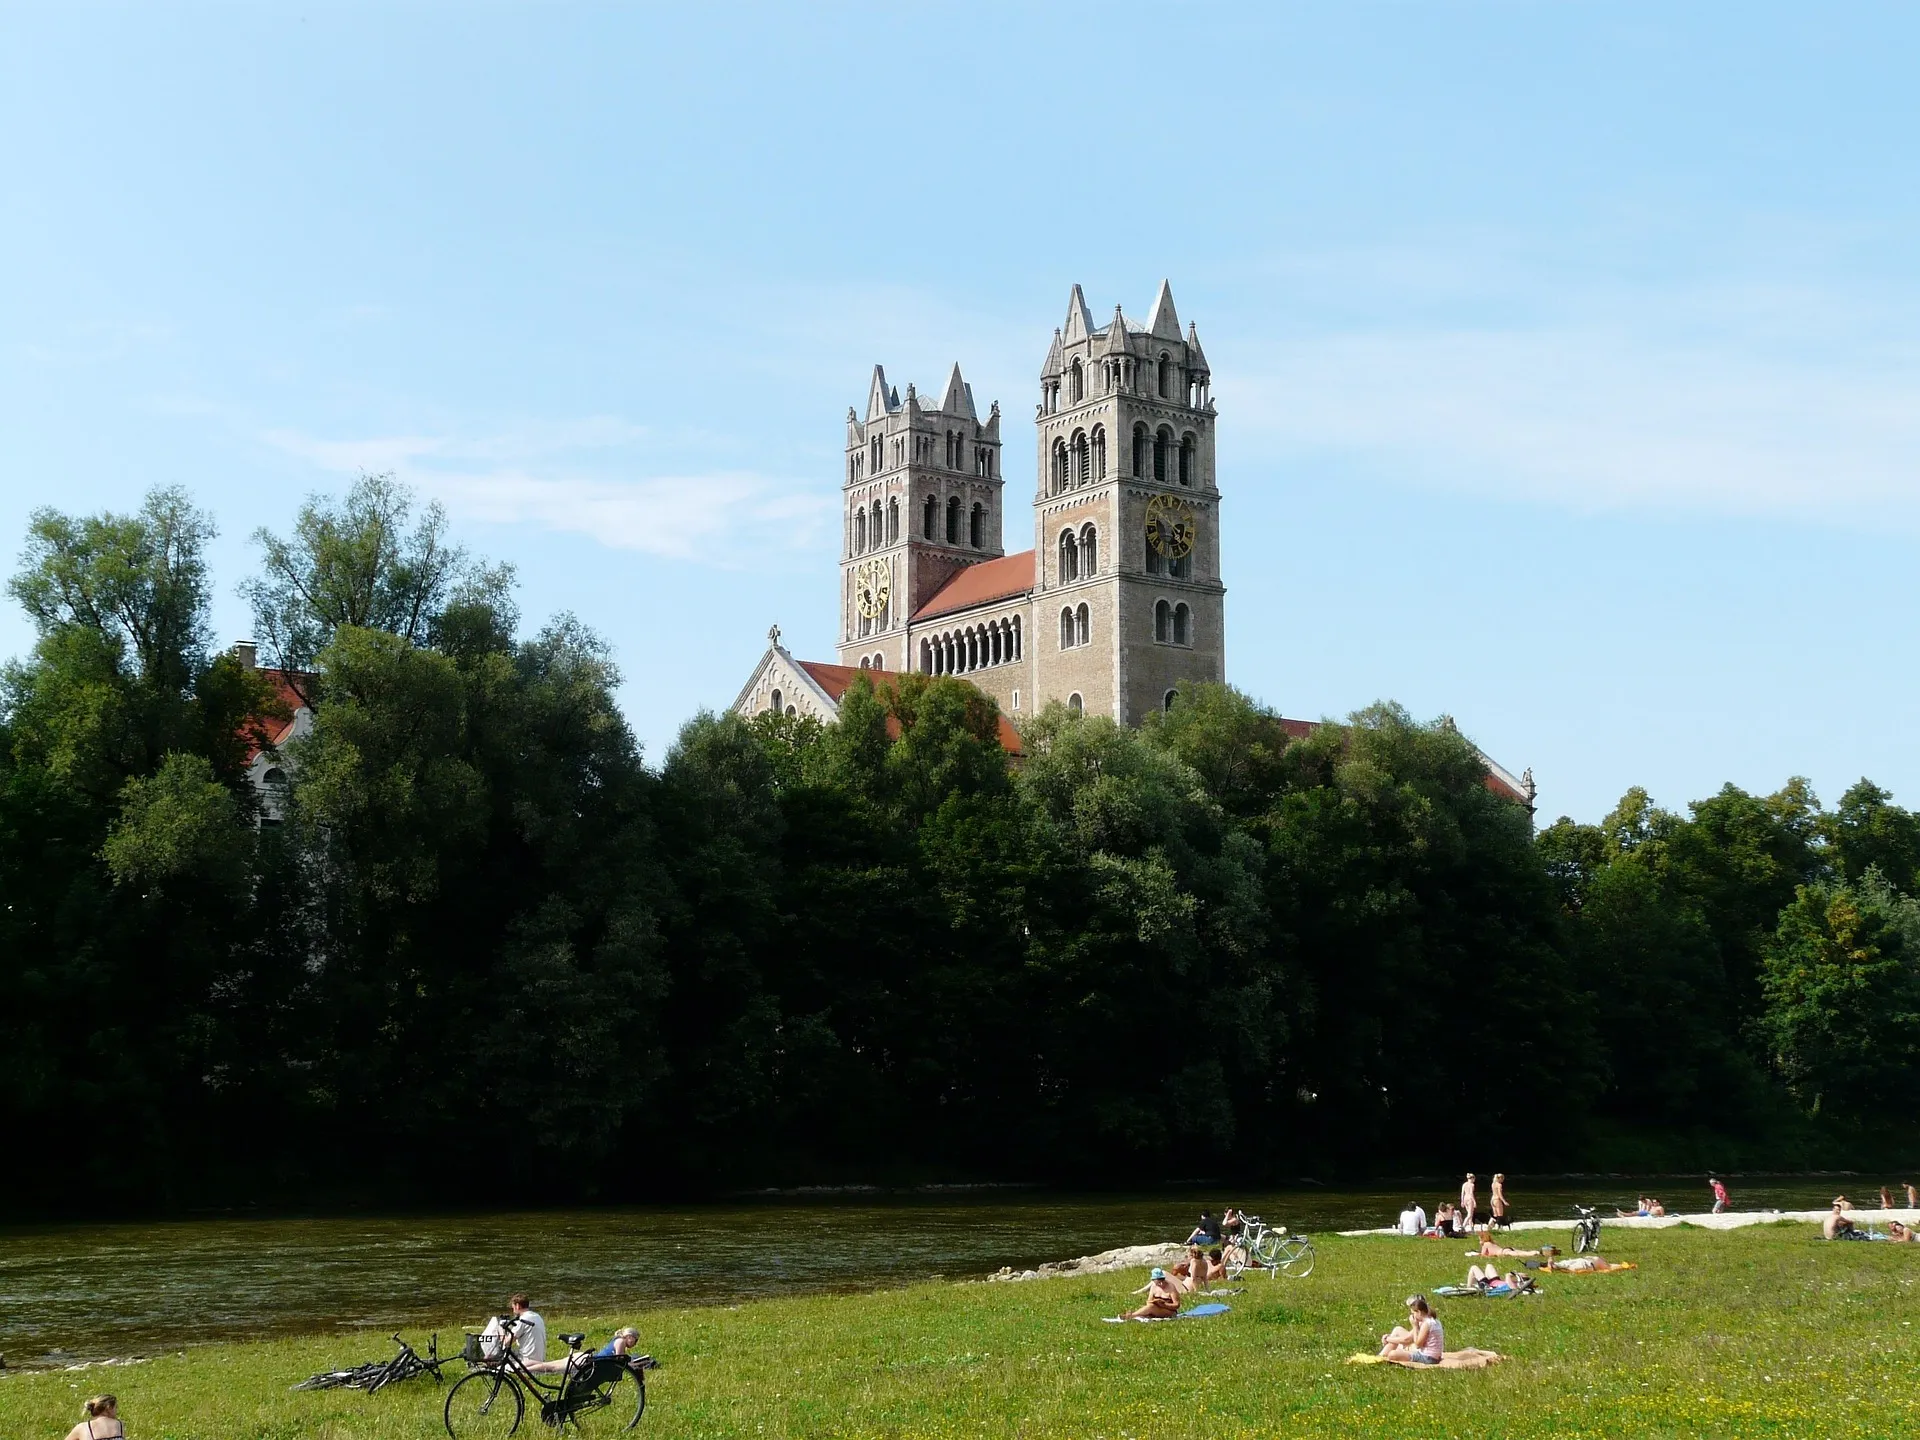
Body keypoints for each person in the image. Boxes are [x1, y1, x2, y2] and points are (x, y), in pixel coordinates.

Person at [525, 1326, 641, 1375]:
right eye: (635, 1340)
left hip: (585, 1358)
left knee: (549, 1364)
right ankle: (523, 1371)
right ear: (629, 1337)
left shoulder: (617, 1340)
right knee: (552, 1368)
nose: (635, 1344)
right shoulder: (621, 1342)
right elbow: (619, 1361)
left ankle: (521, 1367)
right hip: (585, 1362)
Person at [482, 1293, 548, 1364]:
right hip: (539, 1358)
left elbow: (506, 1343)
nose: (513, 1311)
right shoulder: (537, 1316)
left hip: (527, 1359)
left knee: (497, 1356)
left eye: (513, 1308)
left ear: (517, 1306)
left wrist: (500, 1328)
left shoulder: (522, 1320)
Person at [1379, 1294, 1445, 1365]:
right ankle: (1381, 1356)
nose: (1412, 1316)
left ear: (1419, 1312)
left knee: (1393, 1354)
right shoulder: (1433, 1320)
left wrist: (1415, 1326)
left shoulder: (1426, 1323)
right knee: (1397, 1330)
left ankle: (1381, 1357)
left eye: (1413, 1313)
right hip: (1432, 1355)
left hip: (1428, 1357)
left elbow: (1414, 1343)